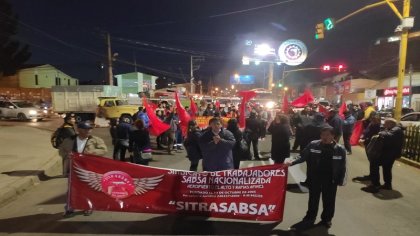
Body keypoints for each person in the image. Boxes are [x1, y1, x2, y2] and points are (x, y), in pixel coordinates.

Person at [287, 126, 347, 230]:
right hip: (315, 178)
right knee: (313, 199)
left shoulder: (340, 149)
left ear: (333, 136)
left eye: (328, 135)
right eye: (323, 135)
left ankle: (326, 220)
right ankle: (310, 217)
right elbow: (303, 156)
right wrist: (291, 162)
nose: (325, 137)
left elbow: (343, 166)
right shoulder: (313, 145)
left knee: (329, 201)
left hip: (331, 180)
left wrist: (341, 180)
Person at [59, 121, 107, 217]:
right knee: (72, 190)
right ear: (79, 129)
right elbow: (61, 151)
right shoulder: (69, 140)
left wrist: (92, 152)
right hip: (73, 169)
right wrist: (66, 155)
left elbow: (104, 150)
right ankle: (70, 208)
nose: (88, 131)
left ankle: (88, 207)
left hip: (89, 169)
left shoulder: (96, 140)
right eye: (86, 129)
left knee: (88, 189)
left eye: (90, 129)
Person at [362, 118, 404, 193]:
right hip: (390, 153)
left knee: (374, 164)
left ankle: (375, 185)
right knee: (387, 169)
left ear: (390, 124)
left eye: (385, 124)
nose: (384, 125)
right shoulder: (395, 129)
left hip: (389, 154)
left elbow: (388, 135)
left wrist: (381, 132)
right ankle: (387, 185)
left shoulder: (396, 130)